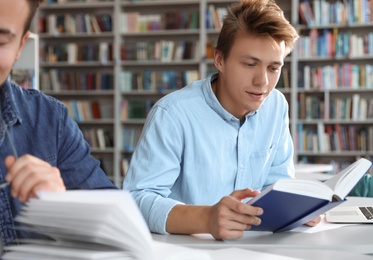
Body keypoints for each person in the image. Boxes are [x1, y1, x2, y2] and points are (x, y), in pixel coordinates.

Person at [123, 0, 321, 240]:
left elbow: (277, 184)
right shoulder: (173, 113)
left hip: (255, 248)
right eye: (250, 64)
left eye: (273, 68)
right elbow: (137, 199)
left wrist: (298, 207)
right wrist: (206, 219)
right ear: (219, 60)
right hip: (184, 251)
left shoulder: (276, 106)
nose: (263, 82)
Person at [0, 0, 117, 246]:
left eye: (0, 42)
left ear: (21, 45)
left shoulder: (50, 119)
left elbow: (117, 225)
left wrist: (63, 206)